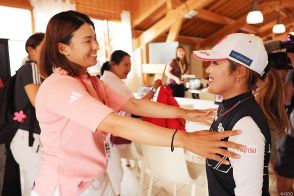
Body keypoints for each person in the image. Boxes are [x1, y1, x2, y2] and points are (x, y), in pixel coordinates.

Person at [32, 10, 245, 196]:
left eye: (95, 38)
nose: (96, 46)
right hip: (65, 185)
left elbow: (133, 105)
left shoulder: (91, 81)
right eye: (88, 41)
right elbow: (115, 123)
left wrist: (185, 113)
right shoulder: (59, 87)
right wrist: (185, 139)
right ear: (63, 48)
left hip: (95, 176)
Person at [193, 33, 272, 196]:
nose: (208, 69)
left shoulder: (246, 126)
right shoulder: (228, 106)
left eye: (215, 63)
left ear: (240, 72)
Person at [100, 49, 161, 195]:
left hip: (115, 132)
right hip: (111, 133)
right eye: (125, 65)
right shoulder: (111, 82)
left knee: (115, 172)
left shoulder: (112, 81)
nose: (129, 69)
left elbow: (133, 105)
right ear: (113, 64)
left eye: (130, 65)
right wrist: (154, 90)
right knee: (115, 173)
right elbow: (136, 106)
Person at [9, 32, 44, 196]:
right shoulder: (32, 68)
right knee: (39, 184)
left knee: (34, 184)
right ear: (31, 50)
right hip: (29, 137)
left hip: (26, 137)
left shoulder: (34, 70)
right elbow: (38, 102)